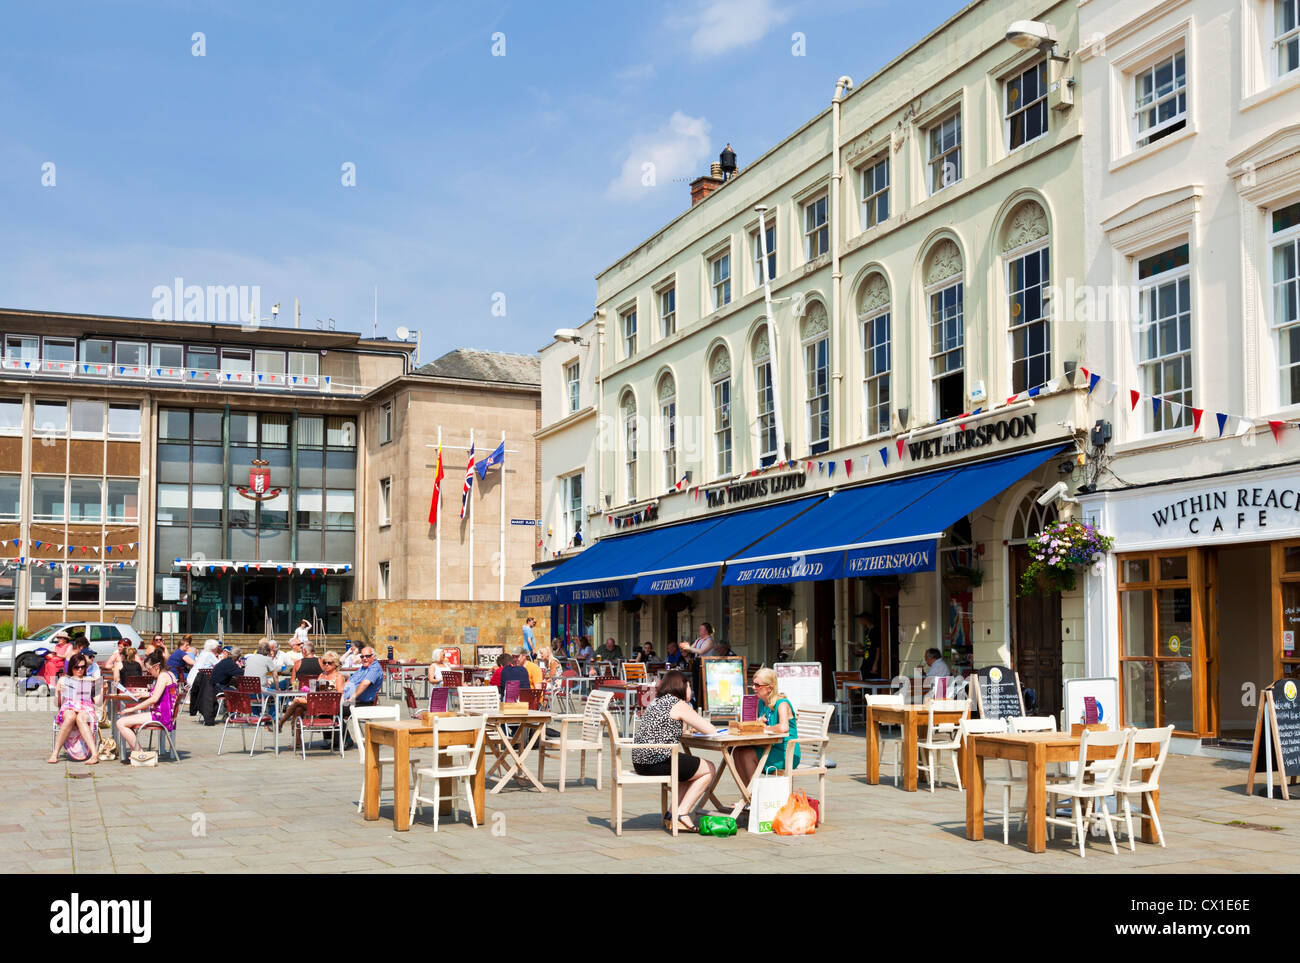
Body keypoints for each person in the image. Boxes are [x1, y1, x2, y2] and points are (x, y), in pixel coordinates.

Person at [633, 670, 719, 833]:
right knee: (708, 768)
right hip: (656, 760)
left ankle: (672, 813)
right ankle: (682, 812)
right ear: (682, 686)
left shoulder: (657, 701)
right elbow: (710, 729)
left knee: (689, 769)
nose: (691, 690)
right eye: (689, 686)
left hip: (641, 761)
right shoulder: (678, 704)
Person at [734, 668, 799, 787]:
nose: (753, 688)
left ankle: (754, 796)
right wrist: (757, 723)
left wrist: (763, 728)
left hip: (786, 752)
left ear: (770, 688)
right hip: (769, 746)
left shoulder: (782, 703)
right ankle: (747, 795)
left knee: (746, 754)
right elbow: (760, 724)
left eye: (757, 685)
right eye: (753, 684)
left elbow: (783, 727)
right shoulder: (761, 703)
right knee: (737, 751)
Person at [114, 650, 177, 763]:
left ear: (156, 666)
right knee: (126, 721)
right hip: (167, 714)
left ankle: (140, 754)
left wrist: (133, 708)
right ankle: (138, 752)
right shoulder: (169, 674)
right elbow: (160, 694)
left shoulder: (162, 676)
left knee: (121, 722)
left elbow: (154, 699)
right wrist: (144, 694)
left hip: (161, 715)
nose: (148, 672)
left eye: (149, 669)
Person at [48, 652, 99, 765]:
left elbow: (99, 702)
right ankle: (55, 753)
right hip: (68, 707)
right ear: (71, 667)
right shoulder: (63, 680)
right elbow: (57, 704)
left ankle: (95, 754)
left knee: (80, 718)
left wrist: (100, 690)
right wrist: (58, 692)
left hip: (85, 708)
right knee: (71, 716)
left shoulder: (90, 679)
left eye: (82, 667)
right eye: (76, 667)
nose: (80, 670)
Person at [856, 612, 882, 678]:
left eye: (860, 620)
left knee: (869, 680)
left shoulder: (875, 631)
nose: (860, 622)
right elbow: (869, 647)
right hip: (866, 659)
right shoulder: (867, 631)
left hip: (872, 660)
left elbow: (878, 648)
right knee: (861, 677)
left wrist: (875, 664)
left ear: (865, 619)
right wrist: (862, 648)